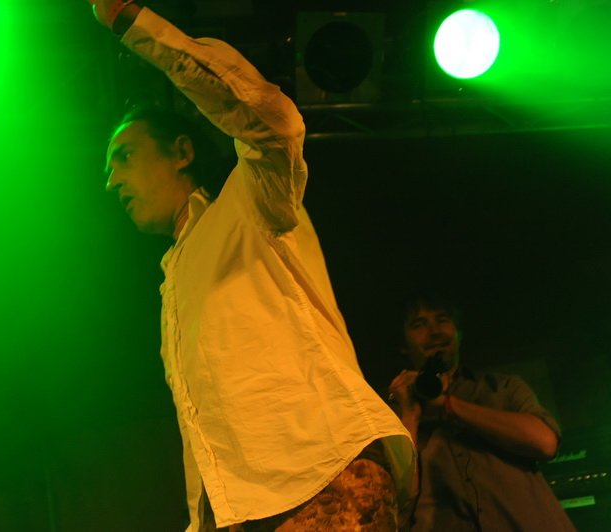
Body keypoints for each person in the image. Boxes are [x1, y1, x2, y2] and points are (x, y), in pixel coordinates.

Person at [85, 1, 415, 530]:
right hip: (250, 511)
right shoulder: (174, 280)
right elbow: (205, 429)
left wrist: (137, 24)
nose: (111, 181)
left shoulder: (251, 204)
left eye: (124, 156)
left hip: (322, 475)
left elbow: (274, 124)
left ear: (182, 152)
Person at [388, 292, 575, 531]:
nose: (434, 331)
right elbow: (396, 502)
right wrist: (410, 416)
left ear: (458, 333)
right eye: (419, 324)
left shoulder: (503, 387)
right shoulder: (390, 415)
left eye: (442, 319)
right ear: (403, 345)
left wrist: (448, 405)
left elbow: (545, 442)